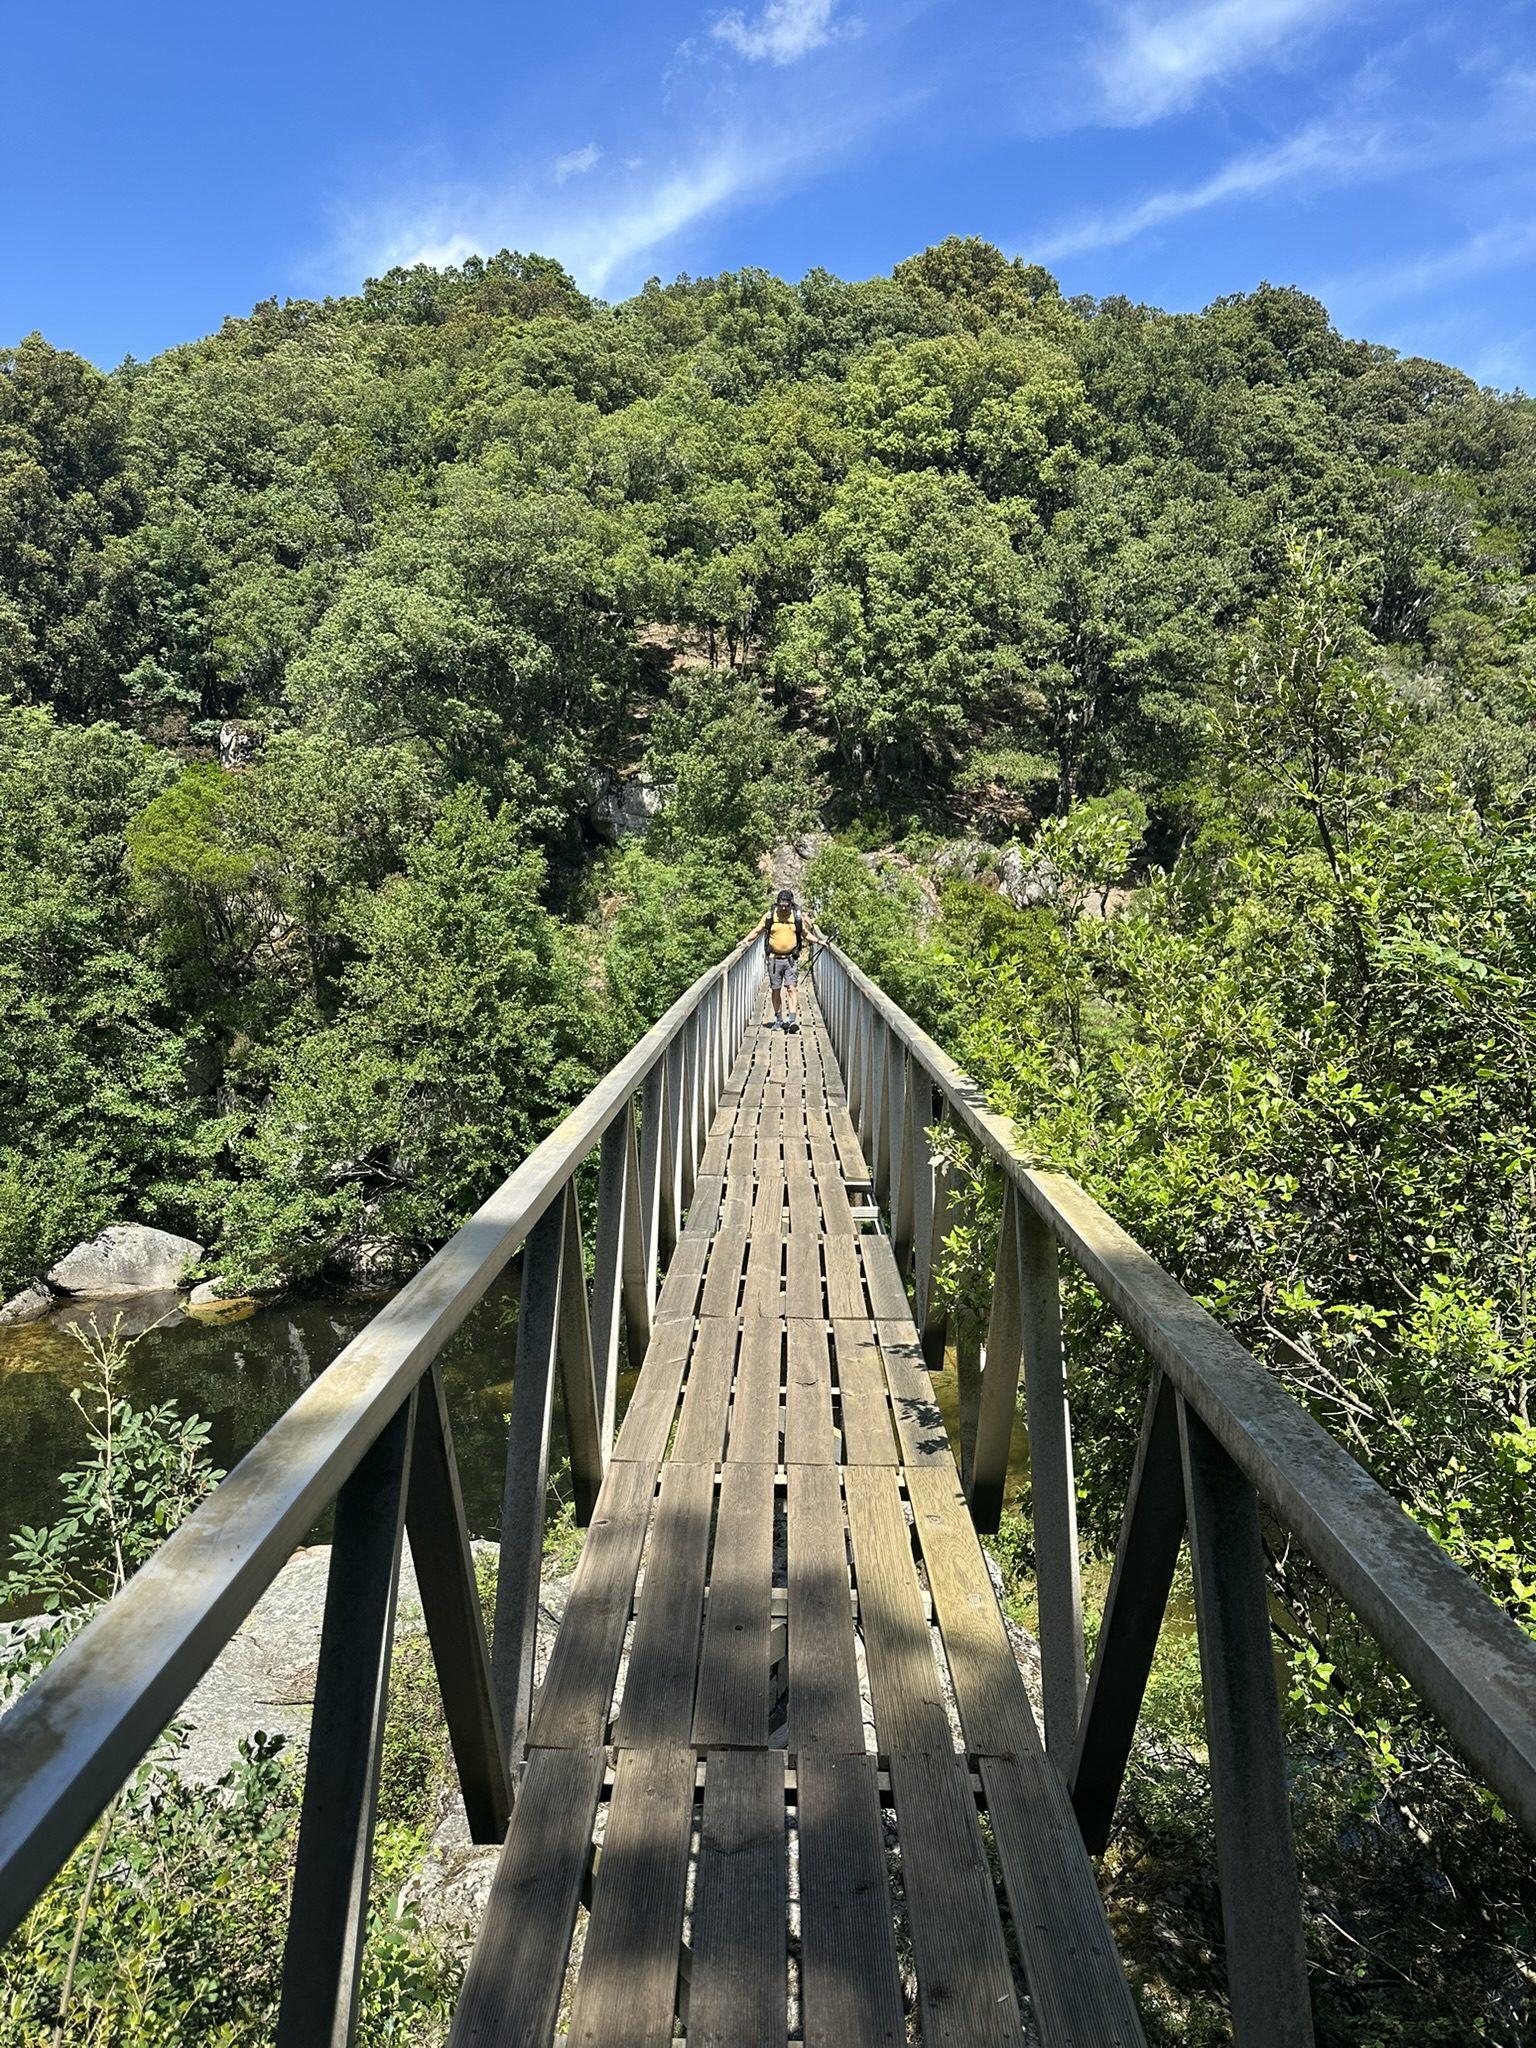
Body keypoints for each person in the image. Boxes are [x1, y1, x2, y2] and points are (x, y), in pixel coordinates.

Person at [754, 887, 815, 1033]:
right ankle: (778, 1019)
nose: (783, 908)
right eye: (781, 904)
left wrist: (820, 941)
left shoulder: (796, 917)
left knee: (791, 988)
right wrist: (744, 940)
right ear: (777, 903)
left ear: (791, 904)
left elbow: (805, 934)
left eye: (786, 905)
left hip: (790, 959)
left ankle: (792, 1020)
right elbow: (757, 930)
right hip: (774, 959)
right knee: (776, 990)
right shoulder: (770, 916)